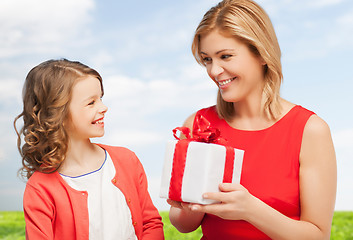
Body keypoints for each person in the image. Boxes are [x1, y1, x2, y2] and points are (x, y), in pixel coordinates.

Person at [167, 0, 337, 239]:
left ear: (262, 54)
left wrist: (250, 209)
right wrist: (193, 207)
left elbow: (318, 235)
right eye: (207, 59)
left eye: (225, 56)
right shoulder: (197, 124)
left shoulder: (310, 130)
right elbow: (183, 225)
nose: (214, 71)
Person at [14, 59, 164, 240]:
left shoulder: (127, 160)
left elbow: (151, 223)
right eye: (91, 103)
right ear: (56, 114)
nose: (103, 107)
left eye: (101, 98)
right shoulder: (40, 188)